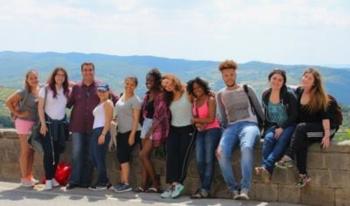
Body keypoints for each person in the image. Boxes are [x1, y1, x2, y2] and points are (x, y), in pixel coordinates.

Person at [276, 68, 339, 188]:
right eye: (305, 76)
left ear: (314, 82)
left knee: (300, 128)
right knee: (301, 140)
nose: (306, 79)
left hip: (326, 128)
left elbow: (325, 117)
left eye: (310, 78)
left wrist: (326, 135)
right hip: (309, 128)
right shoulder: (299, 91)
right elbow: (287, 86)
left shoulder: (319, 96)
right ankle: (303, 175)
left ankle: (288, 156)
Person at [216, 60, 264, 200]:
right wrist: (223, 139)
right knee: (221, 153)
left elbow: (259, 110)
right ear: (222, 76)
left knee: (246, 147)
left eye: (231, 74)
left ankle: (245, 188)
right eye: (226, 75)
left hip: (249, 124)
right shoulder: (220, 94)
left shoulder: (246, 88)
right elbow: (223, 118)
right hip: (231, 127)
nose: (229, 77)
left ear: (235, 74)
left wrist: (264, 129)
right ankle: (233, 189)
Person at [66, 62, 119, 189]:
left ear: (94, 71)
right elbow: (68, 103)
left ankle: (85, 181)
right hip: (77, 125)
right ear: (81, 71)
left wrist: (118, 116)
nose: (88, 72)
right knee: (77, 153)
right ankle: (74, 181)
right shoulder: (77, 87)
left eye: (90, 70)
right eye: (85, 70)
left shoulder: (100, 86)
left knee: (91, 155)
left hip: (94, 127)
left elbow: (117, 99)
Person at [254, 69, 297, 183]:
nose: (276, 81)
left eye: (280, 80)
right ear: (269, 80)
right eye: (274, 78)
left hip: (289, 125)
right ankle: (266, 170)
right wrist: (266, 130)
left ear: (283, 82)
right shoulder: (265, 95)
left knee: (282, 140)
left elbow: (294, 115)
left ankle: (266, 166)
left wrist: (282, 127)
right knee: (268, 139)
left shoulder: (289, 95)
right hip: (273, 126)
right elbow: (267, 115)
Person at [160, 74, 195, 199]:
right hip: (174, 129)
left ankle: (178, 184)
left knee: (183, 157)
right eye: (164, 86)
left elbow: (202, 97)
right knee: (170, 156)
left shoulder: (188, 91)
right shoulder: (168, 97)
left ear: (173, 80)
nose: (167, 87)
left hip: (188, 129)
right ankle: (171, 185)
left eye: (168, 83)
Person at [186, 77, 221, 198]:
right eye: (194, 88)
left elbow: (211, 119)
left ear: (204, 86)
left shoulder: (210, 99)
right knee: (199, 160)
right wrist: (198, 123)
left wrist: (195, 120)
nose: (197, 90)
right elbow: (199, 118)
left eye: (199, 87)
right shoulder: (195, 101)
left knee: (208, 159)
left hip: (213, 130)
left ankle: (205, 189)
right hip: (201, 131)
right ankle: (204, 187)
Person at [136, 69, 170, 193]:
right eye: (147, 80)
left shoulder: (161, 95)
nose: (148, 82)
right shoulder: (147, 95)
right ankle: (144, 184)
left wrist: (151, 129)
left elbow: (162, 115)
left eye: (151, 80)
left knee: (142, 155)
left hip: (156, 127)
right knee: (145, 157)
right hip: (146, 124)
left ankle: (156, 182)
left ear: (157, 81)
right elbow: (144, 113)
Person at [5, 70, 40, 187]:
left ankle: (29, 176)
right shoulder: (23, 92)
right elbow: (8, 102)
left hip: (34, 124)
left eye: (35, 77)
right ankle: (24, 178)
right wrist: (18, 114)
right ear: (27, 80)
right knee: (25, 150)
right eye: (31, 78)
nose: (34, 80)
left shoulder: (39, 90)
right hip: (23, 123)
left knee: (31, 150)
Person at [38, 67, 70, 190]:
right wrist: (43, 124)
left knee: (56, 153)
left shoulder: (66, 90)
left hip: (61, 126)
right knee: (48, 153)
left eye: (62, 75)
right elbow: (40, 108)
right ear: (53, 76)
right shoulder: (45, 90)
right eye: (58, 75)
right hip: (48, 125)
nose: (60, 77)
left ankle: (52, 178)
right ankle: (48, 180)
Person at [112, 76, 141, 193]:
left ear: (135, 86)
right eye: (127, 83)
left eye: (132, 84)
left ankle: (126, 183)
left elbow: (136, 119)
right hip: (121, 131)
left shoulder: (135, 100)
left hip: (131, 131)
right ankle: (122, 181)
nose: (129, 86)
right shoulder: (122, 97)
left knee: (124, 157)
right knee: (121, 156)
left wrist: (132, 135)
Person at [88, 83, 114, 191]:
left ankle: (103, 182)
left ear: (108, 92)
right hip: (96, 131)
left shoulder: (108, 103)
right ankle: (106, 181)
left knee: (98, 158)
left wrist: (103, 134)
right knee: (93, 157)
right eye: (99, 91)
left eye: (104, 91)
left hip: (101, 130)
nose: (101, 93)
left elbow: (108, 120)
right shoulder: (100, 103)